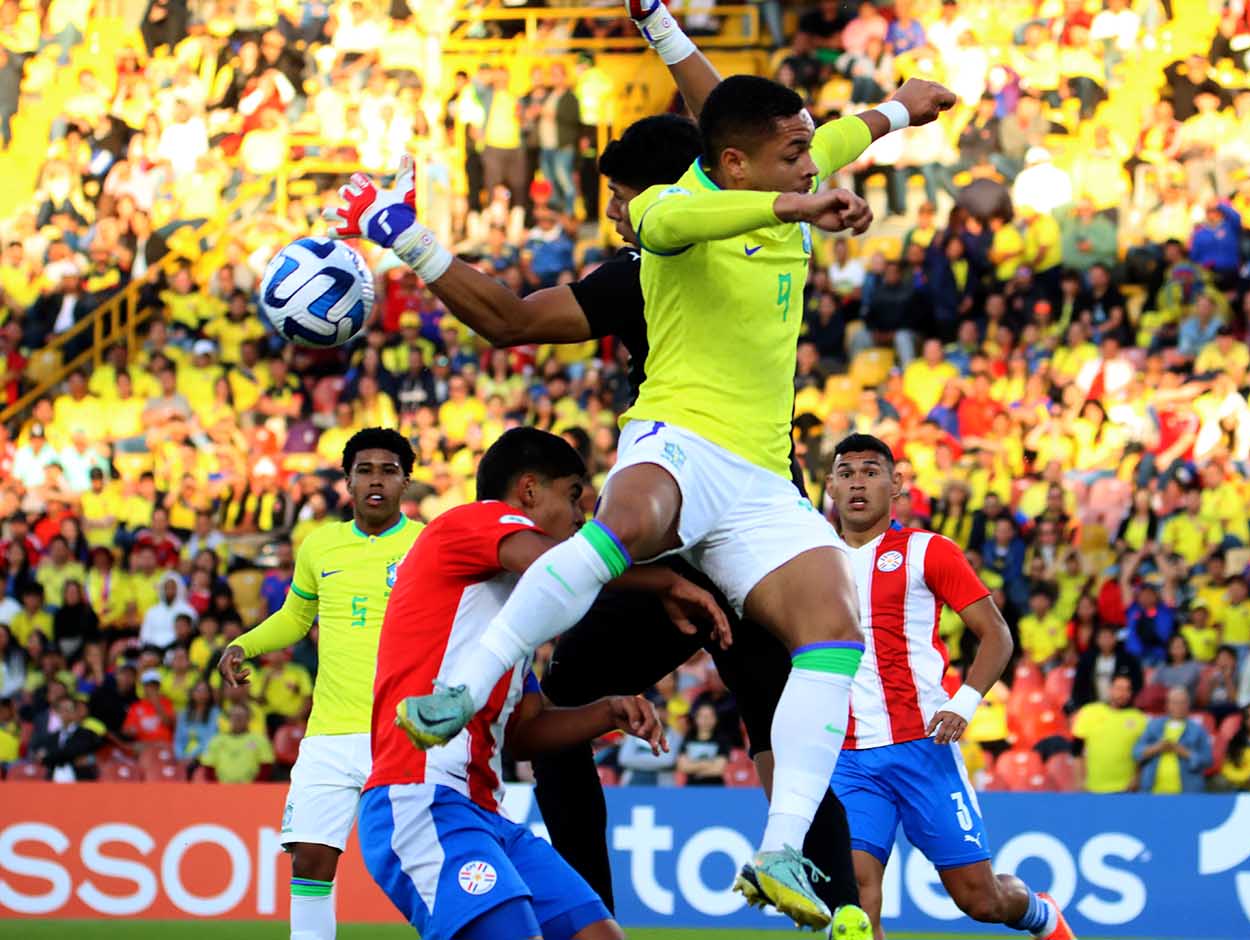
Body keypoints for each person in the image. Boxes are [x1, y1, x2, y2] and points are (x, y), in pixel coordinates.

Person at [333, 24, 952, 927]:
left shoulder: (768, 175)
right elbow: (672, 217)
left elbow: (808, 132)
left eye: (619, 196)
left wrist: (900, 108)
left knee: (820, 654)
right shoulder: (674, 234)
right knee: (620, 619)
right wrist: (799, 204)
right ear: (736, 168)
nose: (617, 215)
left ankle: (794, 870)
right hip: (680, 463)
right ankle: (481, 720)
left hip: (752, 499)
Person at [357, 428, 721, 940]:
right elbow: (559, 565)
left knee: (599, 935)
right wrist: (662, 579)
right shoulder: (470, 521)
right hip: (420, 796)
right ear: (528, 491)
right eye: (574, 497)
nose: (582, 518)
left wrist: (608, 712)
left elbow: (525, 733)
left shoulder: (509, 621)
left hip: (485, 811)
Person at [823, 433, 1073, 939]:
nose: (857, 482)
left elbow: (997, 636)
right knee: (857, 899)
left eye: (871, 471)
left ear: (896, 485)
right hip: (849, 757)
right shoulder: (812, 558)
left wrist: (964, 703)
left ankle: (1040, 913)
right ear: (829, 486)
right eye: (846, 472)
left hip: (923, 747)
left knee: (980, 900)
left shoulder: (927, 551)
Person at [218, 429, 425, 940]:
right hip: (330, 733)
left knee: (425, 863)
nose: (376, 480)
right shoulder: (320, 545)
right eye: (365, 470)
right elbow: (294, 617)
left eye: (389, 471)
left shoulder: (427, 542)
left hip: (405, 732)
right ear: (348, 482)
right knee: (309, 860)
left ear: (406, 482)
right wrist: (243, 644)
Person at [1073, 675, 1148, 794]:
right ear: (1110, 689)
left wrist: (1137, 777)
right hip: (1093, 787)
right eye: (1118, 688)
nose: (1122, 693)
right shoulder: (1089, 712)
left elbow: (1142, 755)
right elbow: (1077, 750)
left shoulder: (1139, 718)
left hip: (1125, 788)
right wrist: (1079, 781)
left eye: (1126, 689)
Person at [1133, 686, 1213, 793]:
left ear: (1188, 705)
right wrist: (1157, 747)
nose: (1179, 706)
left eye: (1182, 702)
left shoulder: (1198, 730)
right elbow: (1136, 752)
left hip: (1187, 794)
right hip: (1152, 793)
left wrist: (1184, 752)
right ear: (1167, 705)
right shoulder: (1153, 725)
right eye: (1175, 702)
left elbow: (1207, 760)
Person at [1067, 624, 1143, 712]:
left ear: (1115, 639)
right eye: (1103, 637)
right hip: (1093, 707)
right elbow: (1079, 685)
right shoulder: (1087, 660)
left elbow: (1137, 683)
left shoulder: (1128, 660)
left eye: (1109, 637)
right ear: (1097, 640)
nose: (1106, 641)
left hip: (1121, 708)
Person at [201, 702, 273, 784]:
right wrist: (217, 788)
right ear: (229, 719)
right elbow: (208, 767)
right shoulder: (216, 740)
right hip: (221, 789)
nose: (238, 719)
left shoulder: (260, 740)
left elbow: (266, 766)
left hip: (251, 790)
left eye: (242, 716)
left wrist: (254, 787)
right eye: (235, 716)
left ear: (249, 719)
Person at [1218, 704, 1250, 791]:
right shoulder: (1236, 743)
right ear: (1245, 720)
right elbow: (1227, 769)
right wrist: (1248, 778)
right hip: (1242, 789)